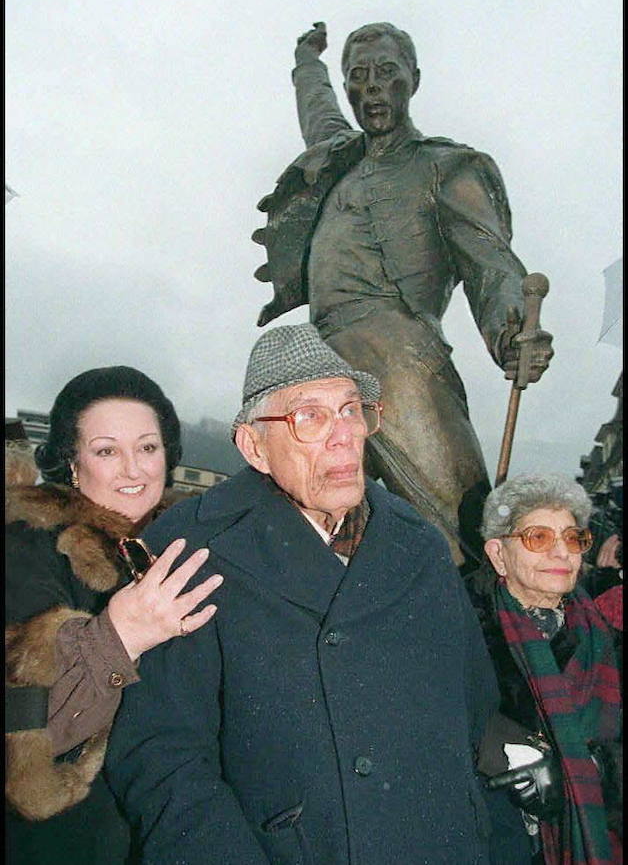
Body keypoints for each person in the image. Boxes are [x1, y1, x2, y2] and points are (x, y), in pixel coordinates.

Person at [106, 322, 513, 864]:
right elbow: (162, 758)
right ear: (255, 446)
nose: (343, 434)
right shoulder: (188, 550)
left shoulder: (421, 545)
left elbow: (475, 712)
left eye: (350, 409)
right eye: (310, 417)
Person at [252, 21, 554, 567]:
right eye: (357, 77)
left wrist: (514, 331)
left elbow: (492, 263)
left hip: (400, 357)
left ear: (413, 79)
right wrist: (306, 61)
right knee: (318, 522)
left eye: (386, 73)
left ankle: (486, 636)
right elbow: (315, 108)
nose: (370, 88)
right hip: (320, 361)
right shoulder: (339, 157)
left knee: (458, 529)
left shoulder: (446, 167)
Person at [5, 366, 223, 865]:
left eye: (148, 447)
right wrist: (118, 637)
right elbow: (25, 759)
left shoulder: (191, 547)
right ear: (72, 463)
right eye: (107, 450)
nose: (134, 469)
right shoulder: (27, 549)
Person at [467, 473, 622, 863]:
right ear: (498, 555)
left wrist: (595, 769)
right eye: (538, 538)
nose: (561, 553)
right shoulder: (460, 632)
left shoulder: (608, 637)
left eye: (572, 539)